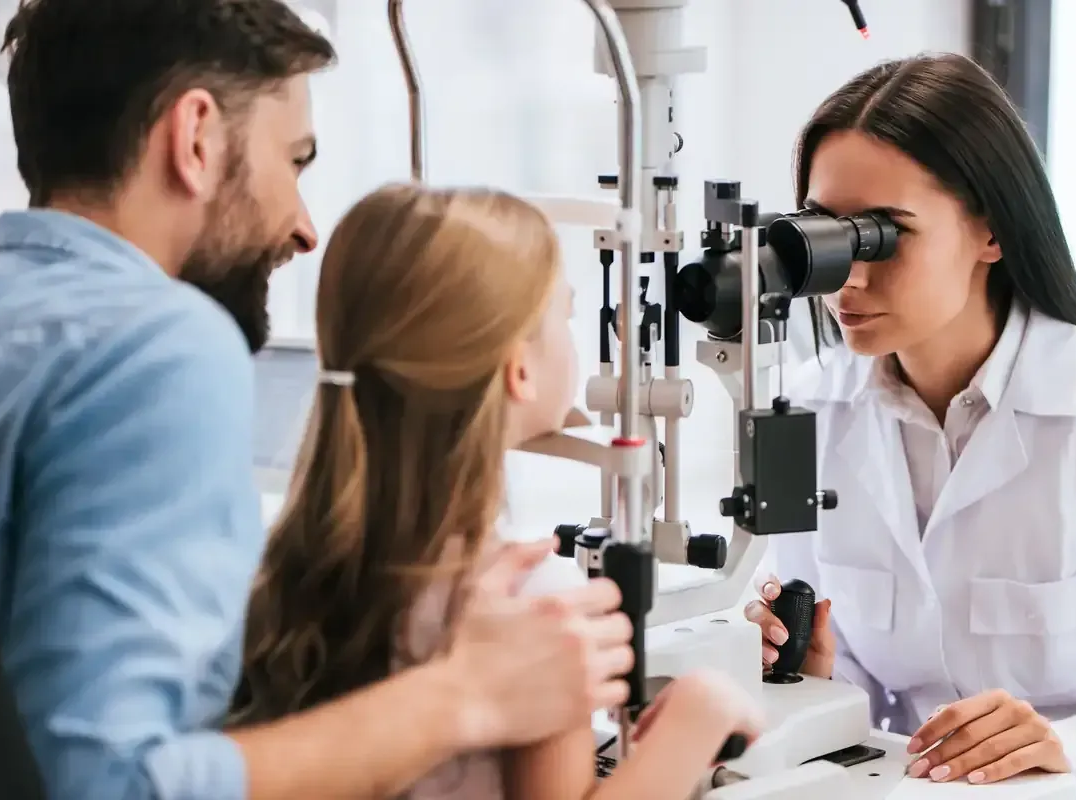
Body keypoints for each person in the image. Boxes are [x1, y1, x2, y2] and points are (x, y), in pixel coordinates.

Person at [0, 1, 636, 798]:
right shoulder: (160, 346)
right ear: (197, 138)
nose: (306, 228)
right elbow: (108, 786)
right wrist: (467, 695)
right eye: (294, 160)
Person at [231, 182, 765, 799]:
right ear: (520, 370)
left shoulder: (282, 567)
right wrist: (701, 713)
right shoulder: (528, 606)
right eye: (566, 316)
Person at [745, 52, 1076, 789]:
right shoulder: (807, 410)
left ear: (990, 232)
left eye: (882, 234)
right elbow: (864, 707)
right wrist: (816, 686)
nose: (851, 277)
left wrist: (1068, 746)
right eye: (827, 234)